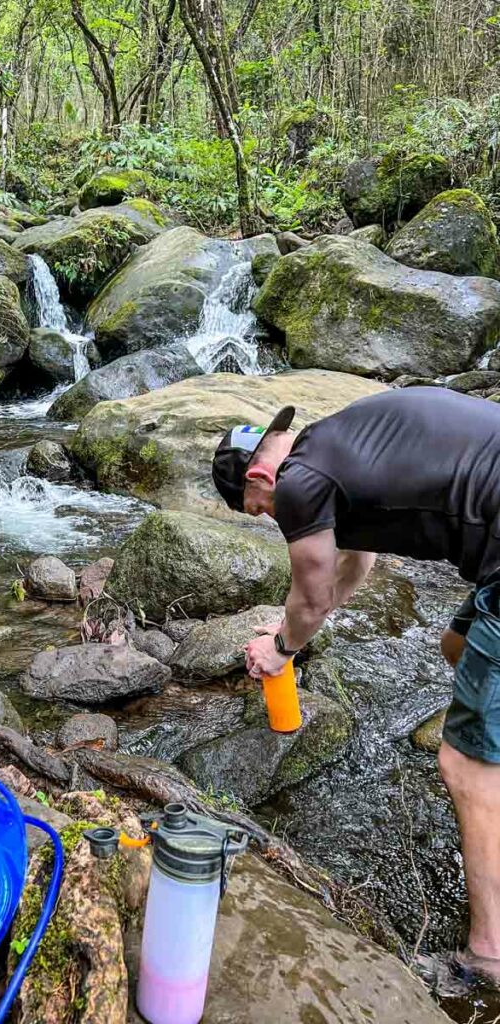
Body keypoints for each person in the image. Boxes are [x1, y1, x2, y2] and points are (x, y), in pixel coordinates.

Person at [212, 386, 500, 984]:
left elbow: (312, 594)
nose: (269, 516)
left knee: (465, 767)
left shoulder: (299, 481)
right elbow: (354, 567)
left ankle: (489, 955)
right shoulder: (342, 450)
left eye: (255, 507)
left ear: (260, 474)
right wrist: (297, 630)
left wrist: (282, 647)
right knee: (456, 646)